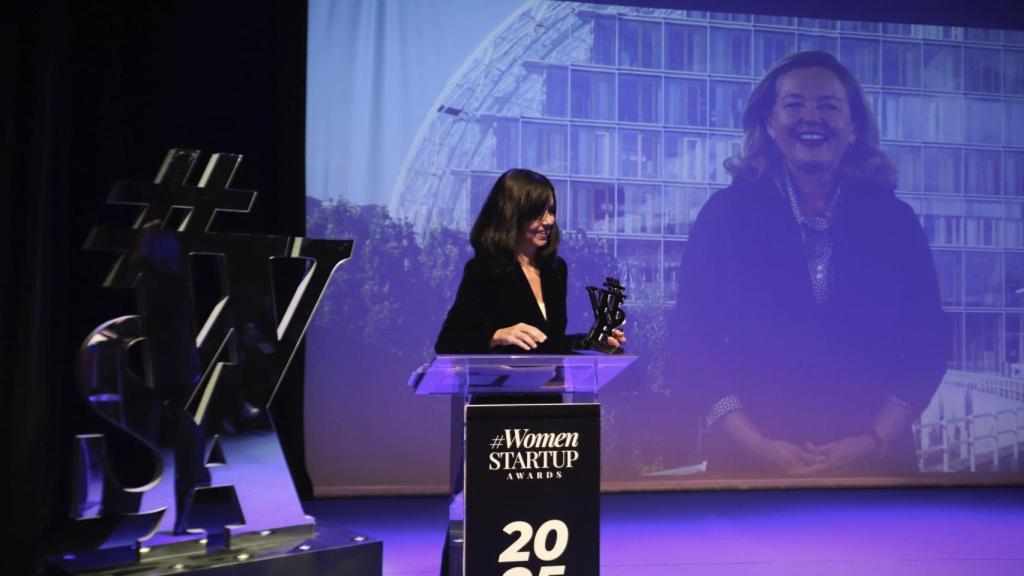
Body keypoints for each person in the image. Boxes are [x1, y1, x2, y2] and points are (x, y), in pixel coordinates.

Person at [673, 51, 948, 476]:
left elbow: (927, 346)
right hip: (749, 469)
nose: (811, 117)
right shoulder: (725, 215)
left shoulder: (895, 222)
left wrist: (873, 440)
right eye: (795, 104)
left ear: (853, 127)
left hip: (875, 469)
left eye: (829, 106)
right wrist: (757, 445)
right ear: (770, 123)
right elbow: (693, 343)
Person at [435, 168, 623, 355]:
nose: (549, 221)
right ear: (512, 214)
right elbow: (448, 343)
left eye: (551, 211)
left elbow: (550, 344)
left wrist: (591, 342)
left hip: (548, 376)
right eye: (538, 213)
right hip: (499, 375)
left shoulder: (556, 269)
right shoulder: (484, 270)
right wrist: (495, 337)